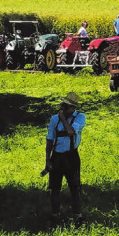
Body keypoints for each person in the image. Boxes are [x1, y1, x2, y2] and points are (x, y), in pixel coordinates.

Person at [44, 92, 86, 220]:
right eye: (63, 106)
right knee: (54, 188)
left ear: (73, 108)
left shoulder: (80, 117)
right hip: (57, 156)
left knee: (74, 187)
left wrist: (63, 119)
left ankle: (77, 215)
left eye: (66, 107)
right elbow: (50, 139)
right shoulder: (53, 119)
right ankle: (55, 215)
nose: (63, 109)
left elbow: (70, 131)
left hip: (71, 156)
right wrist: (47, 160)